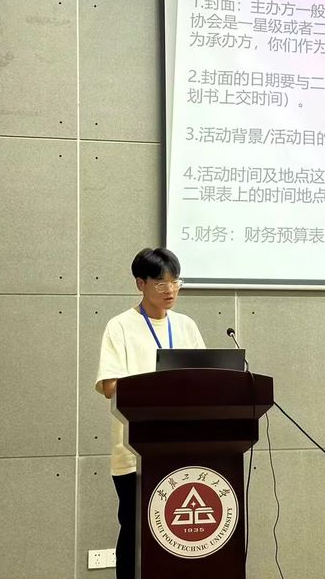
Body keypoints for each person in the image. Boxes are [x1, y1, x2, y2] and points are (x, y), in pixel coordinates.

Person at [95, 247, 205, 579]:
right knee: (136, 533)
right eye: (160, 283)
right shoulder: (120, 326)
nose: (170, 290)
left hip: (183, 449)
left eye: (175, 282)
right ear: (140, 283)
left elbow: (205, 380)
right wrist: (159, 386)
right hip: (135, 452)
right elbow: (110, 386)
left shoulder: (186, 326)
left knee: (179, 536)